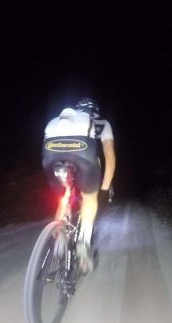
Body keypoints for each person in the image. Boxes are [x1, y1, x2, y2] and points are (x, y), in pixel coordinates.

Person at [41, 97, 116, 273]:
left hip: (49, 152)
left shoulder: (62, 120)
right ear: (95, 112)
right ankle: (84, 240)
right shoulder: (102, 124)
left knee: (63, 197)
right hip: (82, 153)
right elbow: (110, 159)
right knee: (90, 198)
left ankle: (59, 241)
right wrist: (104, 189)